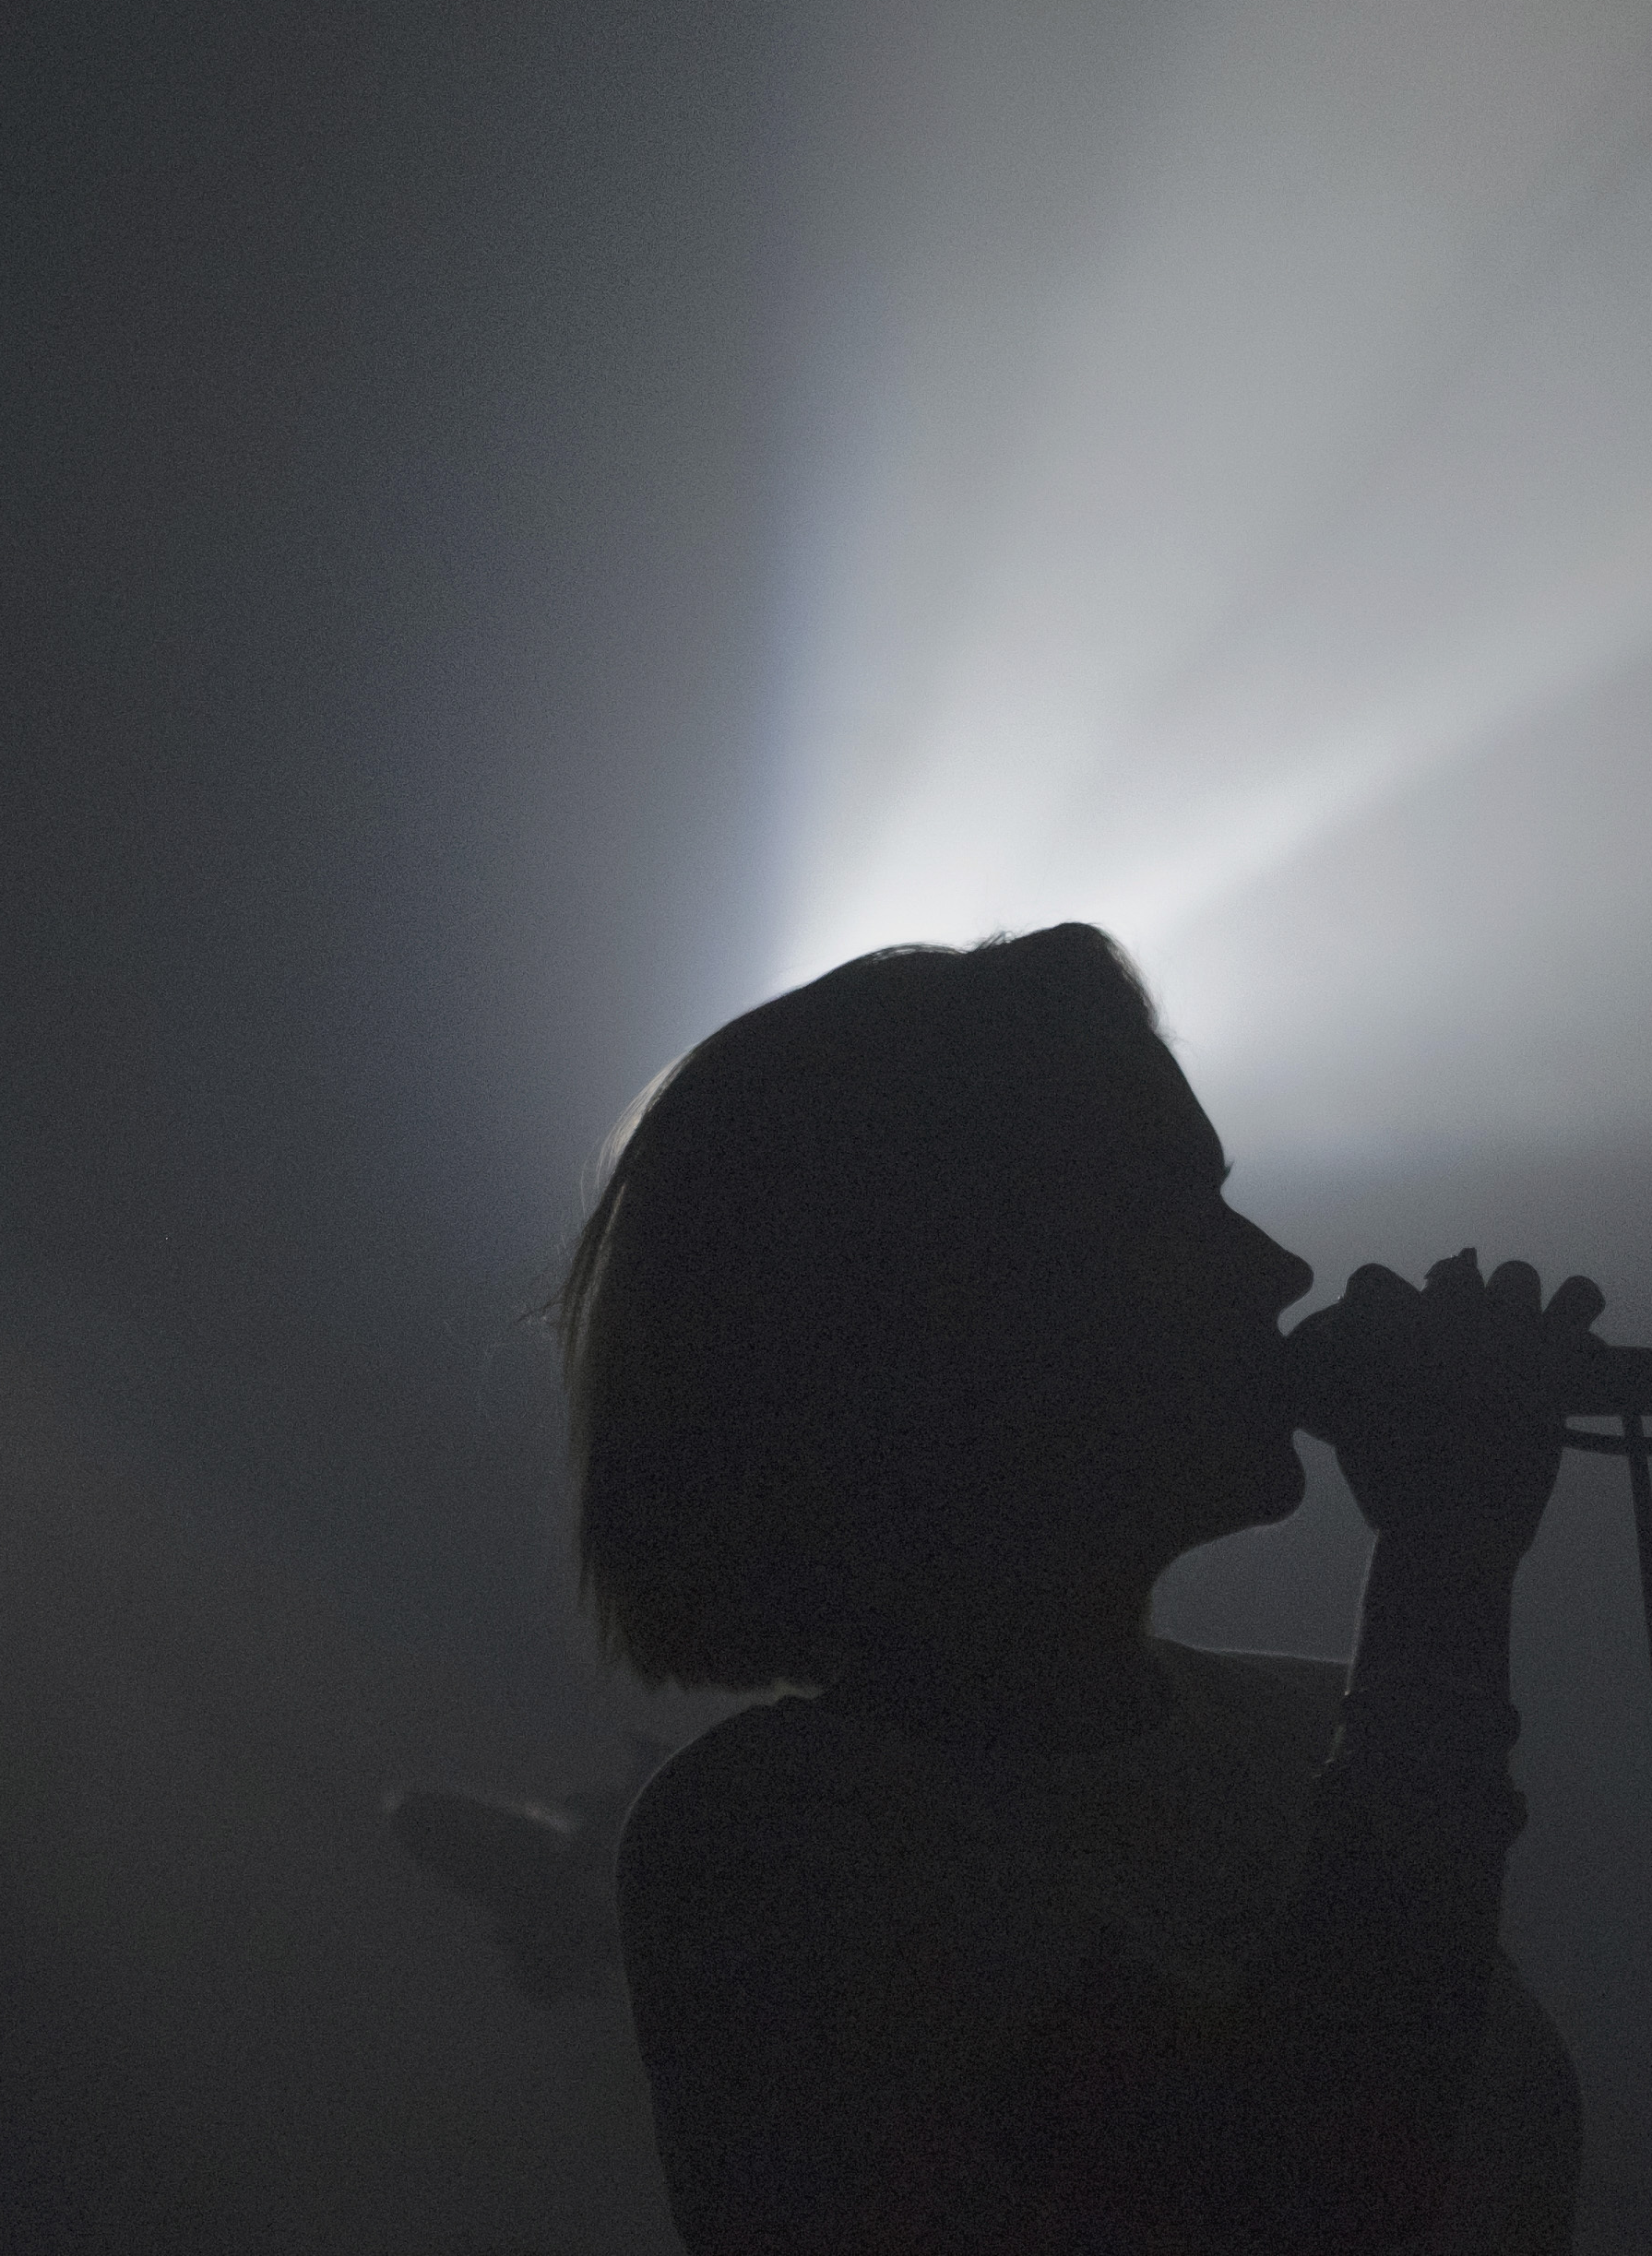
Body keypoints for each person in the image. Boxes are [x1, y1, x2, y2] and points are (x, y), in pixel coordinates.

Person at [572, 923, 1588, 2252]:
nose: (1277, 1267)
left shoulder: (1313, 1736)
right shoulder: (776, 1845)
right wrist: (1447, 1562)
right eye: (1172, 1195)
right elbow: (1313, 2189)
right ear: (943, 1291)